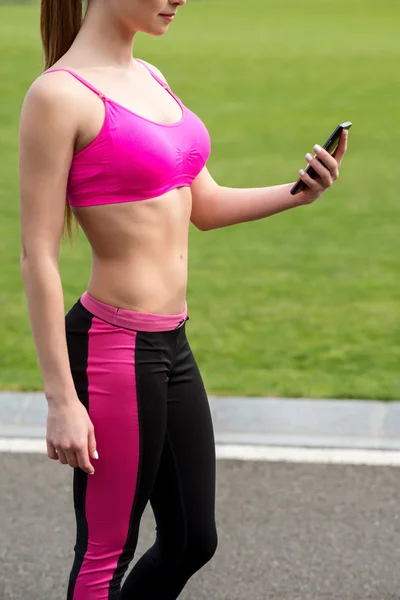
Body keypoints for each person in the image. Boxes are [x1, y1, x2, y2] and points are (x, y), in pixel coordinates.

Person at [19, 0, 348, 598]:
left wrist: (298, 194)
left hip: (172, 343)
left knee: (193, 538)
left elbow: (204, 205)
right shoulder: (58, 96)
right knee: (103, 557)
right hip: (113, 348)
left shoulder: (151, 78)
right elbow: (37, 255)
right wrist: (61, 399)